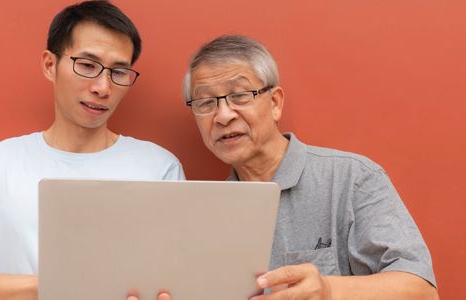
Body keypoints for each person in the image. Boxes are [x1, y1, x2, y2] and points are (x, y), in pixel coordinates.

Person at [0, 1, 182, 299]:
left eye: (119, 71)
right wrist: (61, 284)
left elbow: (176, 279)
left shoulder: (159, 167)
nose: (103, 87)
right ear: (50, 65)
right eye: (87, 65)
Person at [181, 35, 438, 299]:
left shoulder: (352, 178)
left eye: (240, 96)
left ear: (275, 103)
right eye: (205, 103)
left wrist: (328, 290)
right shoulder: (207, 212)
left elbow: (423, 291)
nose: (223, 115)